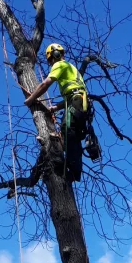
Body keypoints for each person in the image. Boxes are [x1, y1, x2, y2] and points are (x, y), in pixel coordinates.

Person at [24, 43, 93, 182]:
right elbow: (73, 93)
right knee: (72, 135)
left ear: (54, 56)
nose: (50, 64)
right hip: (81, 103)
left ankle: (72, 170)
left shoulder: (60, 65)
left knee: (67, 130)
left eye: (50, 60)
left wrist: (31, 98)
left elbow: (45, 84)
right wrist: (56, 107)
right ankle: (73, 169)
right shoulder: (72, 69)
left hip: (77, 101)